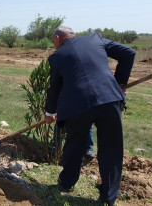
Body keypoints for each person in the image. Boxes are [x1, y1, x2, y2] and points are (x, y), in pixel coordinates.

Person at [44, 26, 135, 205]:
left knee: (74, 145)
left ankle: (67, 181)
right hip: (109, 100)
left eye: (53, 41)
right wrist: (120, 83)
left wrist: (49, 113)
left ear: (57, 38)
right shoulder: (95, 39)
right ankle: (109, 195)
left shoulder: (57, 57)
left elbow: (54, 88)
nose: (54, 45)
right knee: (111, 148)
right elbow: (129, 53)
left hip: (79, 107)